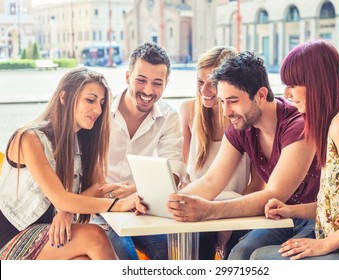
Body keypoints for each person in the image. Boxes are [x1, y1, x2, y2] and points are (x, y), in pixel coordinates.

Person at [136, 51, 321, 260]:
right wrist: (166, 202)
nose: (226, 111)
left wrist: (209, 210)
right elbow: (212, 180)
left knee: (250, 258)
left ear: (260, 95)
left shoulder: (298, 125)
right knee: (239, 254)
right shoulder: (242, 126)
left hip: (316, 218)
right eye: (222, 101)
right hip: (282, 217)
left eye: (232, 101)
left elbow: (275, 193)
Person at [250, 40, 339, 260]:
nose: (286, 94)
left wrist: (323, 244)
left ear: (317, 83)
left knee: (260, 258)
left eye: (293, 85)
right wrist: (290, 210)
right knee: (256, 253)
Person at [0, 67, 136, 260]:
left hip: (49, 236)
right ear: (64, 97)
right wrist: (118, 205)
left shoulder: (83, 142)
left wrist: (66, 211)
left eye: (102, 103)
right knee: (95, 236)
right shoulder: (29, 138)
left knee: (85, 262)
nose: (98, 110)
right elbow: (60, 198)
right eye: (90, 100)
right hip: (11, 238)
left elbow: (98, 187)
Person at [92, 42, 186, 260]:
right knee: (123, 254)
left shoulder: (169, 117)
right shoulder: (100, 111)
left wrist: (136, 190)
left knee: (170, 254)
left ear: (166, 84)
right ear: (127, 77)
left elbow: (174, 170)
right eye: (141, 80)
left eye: (157, 83)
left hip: (140, 206)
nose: (148, 90)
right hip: (98, 208)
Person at [179, 46, 263, 259]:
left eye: (213, 84)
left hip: (238, 208)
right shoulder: (188, 111)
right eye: (200, 82)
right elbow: (183, 172)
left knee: (236, 248)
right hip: (200, 207)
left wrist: (229, 223)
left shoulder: (246, 120)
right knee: (198, 240)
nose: (204, 91)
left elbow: (257, 184)